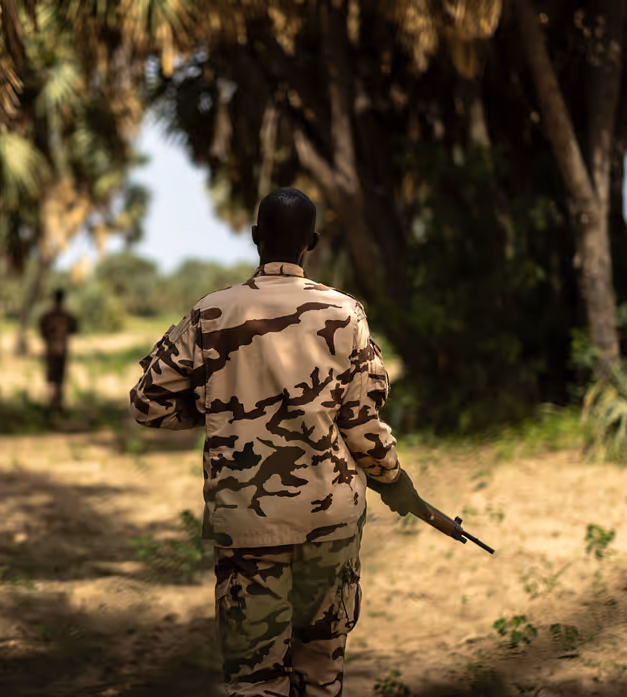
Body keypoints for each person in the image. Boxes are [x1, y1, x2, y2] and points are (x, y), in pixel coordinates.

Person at [129, 187, 426, 697]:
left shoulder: (211, 313)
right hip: (328, 521)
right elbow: (361, 424)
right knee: (320, 674)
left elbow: (147, 403)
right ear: (312, 241)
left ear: (255, 237)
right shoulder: (344, 314)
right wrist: (394, 479)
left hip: (246, 523)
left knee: (253, 680)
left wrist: (224, 410)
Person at [38, 289, 79, 415]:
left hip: (51, 350)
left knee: (52, 378)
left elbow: (42, 330)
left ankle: (53, 404)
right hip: (61, 350)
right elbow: (75, 328)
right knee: (59, 378)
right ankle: (57, 404)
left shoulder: (48, 316)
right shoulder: (66, 316)